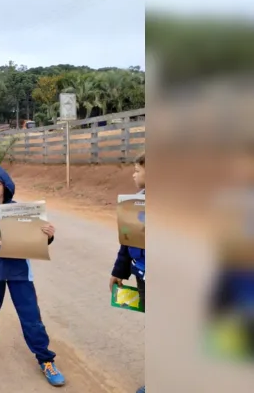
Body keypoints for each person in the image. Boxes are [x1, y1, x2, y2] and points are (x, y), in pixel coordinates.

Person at [0, 164, 65, 387]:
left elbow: (34, 239)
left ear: (6, 186)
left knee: (31, 317)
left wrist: (48, 236)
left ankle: (46, 359)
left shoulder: (20, 210)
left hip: (19, 271)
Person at [108, 152, 145, 393]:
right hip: (144, 277)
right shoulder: (135, 203)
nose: (134, 174)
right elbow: (127, 242)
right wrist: (119, 271)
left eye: (138, 170)